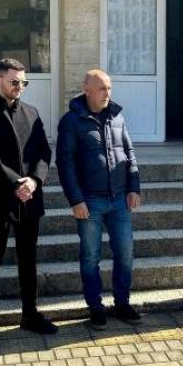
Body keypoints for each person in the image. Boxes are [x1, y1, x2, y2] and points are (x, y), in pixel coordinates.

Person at [0, 58, 58, 351]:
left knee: (28, 259)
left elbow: (43, 151)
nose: (20, 87)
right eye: (14, 82)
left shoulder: (32, 112)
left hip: (29, 197)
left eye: (24, 82)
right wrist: (17, 182)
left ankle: (30, 315)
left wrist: (34, 180)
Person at [56, 69, 142, 330]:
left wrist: (134, 187)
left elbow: (129, 152)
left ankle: (122, 303)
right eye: (102, 88)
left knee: (125, 253)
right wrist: (76, 200)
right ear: (87, 90)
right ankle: (95, 307)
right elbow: (65, 164)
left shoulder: (117, 116)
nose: (107, 93)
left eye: (109, 88)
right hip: (90, 201)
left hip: (119, 200)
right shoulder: (71, 121)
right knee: (90, 257)